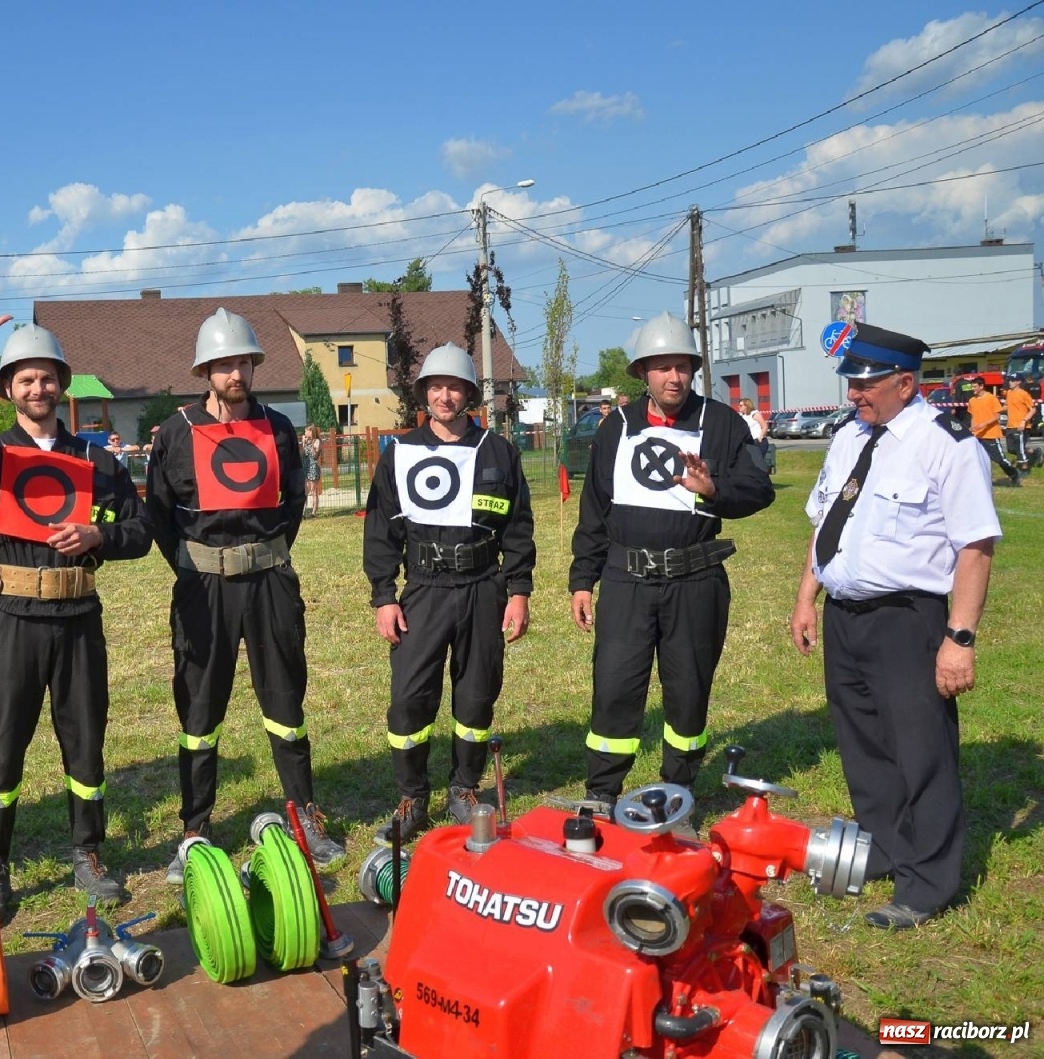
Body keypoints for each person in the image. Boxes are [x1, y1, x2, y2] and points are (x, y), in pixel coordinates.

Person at [0, 284, 151, 914]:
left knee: (85, 738)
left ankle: (87, 851)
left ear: (63, 384)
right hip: (15, 616)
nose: (38, 389)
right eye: (25, 379)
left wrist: (99, 534)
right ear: (8, 390)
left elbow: (141, 532)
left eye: (48, 378)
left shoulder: (98, 460)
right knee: (2, 742)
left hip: (79, 614)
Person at [789, 323, 998, 930]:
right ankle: (885, 845)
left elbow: (975, 545)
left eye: (868, 383)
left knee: (921, 748)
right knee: (863, 744)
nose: (856, 394)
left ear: (906, 384)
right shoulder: (850, 437)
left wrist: (959, 639)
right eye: (852, 383)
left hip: (908, 620)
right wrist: (807, 598)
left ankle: (928, 883)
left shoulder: (946, 444)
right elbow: (826, 523)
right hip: (845, 616)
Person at [147, 307, 344, 882]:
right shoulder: (177, 432)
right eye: (223, 364)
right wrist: (196, 566)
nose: (235, 373)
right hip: (202, 586)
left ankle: (304, 813)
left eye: (243, 363)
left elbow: (292, 504)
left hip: (270, 581)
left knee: (285, 702)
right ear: (205, 370)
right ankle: (195, 829)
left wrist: (264, 555)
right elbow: (159, 513)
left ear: (254, 367)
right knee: (199, 708)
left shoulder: (279, 428)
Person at [569, 313, 775, 807]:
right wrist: (583, 579)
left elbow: (758, 489)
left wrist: (715, 490)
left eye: (682, 367)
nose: (673, 378)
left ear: (693, 370)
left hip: (696, 579)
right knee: (616, 684)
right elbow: (595, 509)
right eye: (661, 368)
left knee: (688, 689)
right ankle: (601, 793)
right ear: (642, 372)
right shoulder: (615, 427)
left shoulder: (721, 423)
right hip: (627, 579)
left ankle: (678, 791)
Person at [363, 343, 535, 842]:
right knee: (409, 698)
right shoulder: (400, 455)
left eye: (454, 387)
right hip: (423, 589)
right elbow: (380, 531)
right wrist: (384, 595)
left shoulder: (499, 452)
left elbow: (518, 528)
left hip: (484, 586)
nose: (444, 395)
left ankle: (464, 787)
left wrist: (518, 590)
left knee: (477, 691)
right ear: (424, 394)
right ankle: (412, 795)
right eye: (435, 387)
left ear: (469, 395)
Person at [966, 376, 1021, 487]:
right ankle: (983, 480)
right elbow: (973, 416)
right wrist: (972, 429)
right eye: (972, 386)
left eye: (975, 386)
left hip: (991, 434)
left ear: (981, 386)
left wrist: (984, 424)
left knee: (999, 459)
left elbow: (997, 416)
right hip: (977, 436)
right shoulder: (972, 400)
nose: (973, 389)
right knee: (979, 460)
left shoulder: (991, 398)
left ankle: (1014, 474)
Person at [1004, 374, 1035, 473]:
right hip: (1010, 424)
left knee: (1020, 448)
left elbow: (1033, 410)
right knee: (1011, 449)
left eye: (1013, 380)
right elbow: (1006, 406)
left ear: (1019, 382)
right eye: (1010, 380)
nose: (1010, 382)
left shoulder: (1024, 394)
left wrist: (1024, 421)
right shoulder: (1009, 393)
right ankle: (1034, 452)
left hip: (1020, 425)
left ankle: (1024, 468)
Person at [301, 424, 324, 516]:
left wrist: (311, 447)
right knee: (305, 492)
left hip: (313, 468)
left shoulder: (317, 441)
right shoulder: (306, 441)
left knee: (314, 491)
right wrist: (303, 443)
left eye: (306, 431)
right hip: (305, 468)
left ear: (311, 432)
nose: (305, 433)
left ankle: (314, 512)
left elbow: (315, 457)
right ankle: (303, 512)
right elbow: (302, 455)